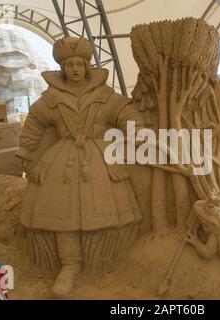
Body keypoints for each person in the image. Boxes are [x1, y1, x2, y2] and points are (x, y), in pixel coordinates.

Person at [16, 37, 143, 297]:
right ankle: (69, 266)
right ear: (63, 68)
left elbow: (124, 112)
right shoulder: (51, 97)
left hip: (98, 158)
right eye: (70, 64)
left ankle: (105, 262)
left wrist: (135, 129)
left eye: (79, 64)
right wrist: (27, 152)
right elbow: (35, 123)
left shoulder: (105, 94)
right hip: (61, 161)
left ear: (87, 66)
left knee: (105, 212)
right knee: (64, 215)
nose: (75, 69)